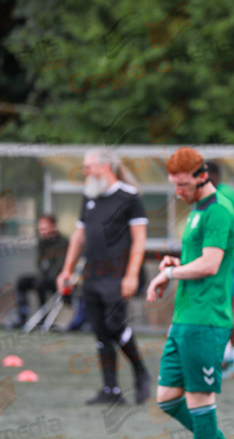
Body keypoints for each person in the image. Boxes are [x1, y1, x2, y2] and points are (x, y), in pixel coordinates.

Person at [146, 147, 234, 439]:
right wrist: (175, 264)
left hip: (206, 320)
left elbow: (209, 265)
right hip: (185, 316)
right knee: (167, 399)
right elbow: (199, 260)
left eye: (181, 184)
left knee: (199, 400)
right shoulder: (197, 210)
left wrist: (171, 273)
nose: (177, 191)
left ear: (200, 176)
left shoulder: (220, 210)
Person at [56, 150, 152, 405]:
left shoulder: (129, 197)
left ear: (105, 166)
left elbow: (139, 239)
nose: (86, 172)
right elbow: (79, 237)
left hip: (118, 276)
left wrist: (131, 275)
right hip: (92, 276)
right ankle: (111, 390)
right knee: (100, 332)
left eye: (89, 167)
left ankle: (141, 373)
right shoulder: (89, 197)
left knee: (115, 326)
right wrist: (67, 270)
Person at [207, 161, 234, 377]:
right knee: (220, 309)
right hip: (228, 258)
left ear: (212, 176)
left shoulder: (222, 198)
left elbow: (223, 231)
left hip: (227, 259)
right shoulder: (225, 194)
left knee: (224, 310)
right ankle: (226, 357)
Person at [7, 214, 68, 329]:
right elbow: (40, 263)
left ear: (53, 226)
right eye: (40, 229)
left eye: (44, 228)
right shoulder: (42, 243)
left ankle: (43, 320)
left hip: (57, 280)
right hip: (43, 277)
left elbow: (59, 266)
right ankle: (22, 317)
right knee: (22, 281)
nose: (41, 231)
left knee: (41, 284)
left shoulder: (63, 242)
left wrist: (44, 277)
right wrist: (40, 276)